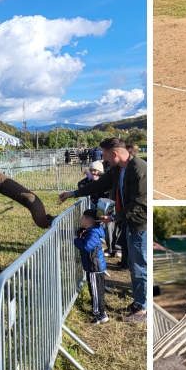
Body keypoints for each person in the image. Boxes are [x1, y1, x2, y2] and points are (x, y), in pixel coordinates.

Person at [60, 137, 147, 323]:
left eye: (106, 155)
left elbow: (139, 204)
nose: (104, 159)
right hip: (130, 223)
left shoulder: (140, 169)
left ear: (115, 153)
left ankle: (143, 309)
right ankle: (139, 303)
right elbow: (99, 184)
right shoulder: (117, 169)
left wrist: (114, 218)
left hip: (140, 224)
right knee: (134, 265)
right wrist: (73, 193)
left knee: (140, 266)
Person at [74, 209, 108, 324]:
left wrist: (76, 240)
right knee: (98, 291)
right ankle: (101, 312)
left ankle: (99, 315)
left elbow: (87, 247)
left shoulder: (92, 233)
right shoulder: (90, 230)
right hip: (95, 266)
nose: (80, 219)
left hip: (94, 267)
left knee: (95, 291)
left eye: (82, 218)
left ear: (88, 221)